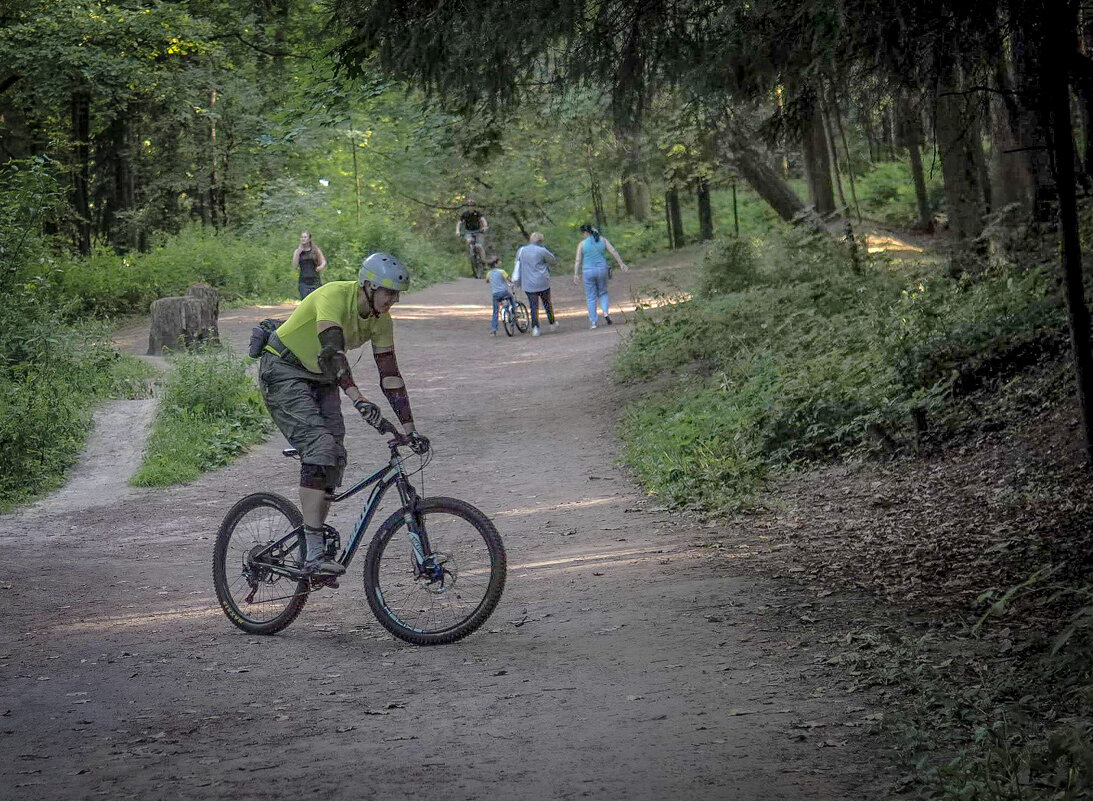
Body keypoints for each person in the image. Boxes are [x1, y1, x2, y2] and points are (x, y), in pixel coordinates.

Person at [258, 252, 429, 576]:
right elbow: (332, 351)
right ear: (367, 286)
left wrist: (409, 429)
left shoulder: (381, 321)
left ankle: (316, 540)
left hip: (322, 377)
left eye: (396, 294)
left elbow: (390, 375)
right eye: (387, 292)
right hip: (284, 369)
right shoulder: (334, 295)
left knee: (335, 455)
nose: (392, 300)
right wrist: (358, 398)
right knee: (320, 448)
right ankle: (313, 553)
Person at [573, 224, 628, 329]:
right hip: (602, 269)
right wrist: (621, 263)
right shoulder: (603, 240)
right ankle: (606, 312)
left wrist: (576, 274)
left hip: (588, 271)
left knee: (591, 297)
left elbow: (578, 260)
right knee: (603, 292)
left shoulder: (582, 244)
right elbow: (613, 251)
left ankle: (593, 322)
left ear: (585, 233)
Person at [513, 232, 558, 337]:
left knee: (533, 306)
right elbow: (553, 261)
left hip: (528, 283)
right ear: (541, 241)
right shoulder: (542, 251)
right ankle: (552, 323)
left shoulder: (521, 250)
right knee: (547, 303)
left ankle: (535, 328)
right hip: (542, 282)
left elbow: (517, 263)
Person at [455, 199, 490, 269]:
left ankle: (484, 262)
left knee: (479, 246)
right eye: (469, 206)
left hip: (478, 231)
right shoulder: (465, 214)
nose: (471, 207)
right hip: (468, 231)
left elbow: (483, 220)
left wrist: (485, 227)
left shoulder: (477, 213)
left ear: (474, 206)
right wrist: (457, 231)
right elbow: (459, 223)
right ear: (467, 207)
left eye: (472, 206)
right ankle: (471, 255)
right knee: (468, 241)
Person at [293, 230, 327, 299]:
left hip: (315, 280)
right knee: (305, 301)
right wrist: (298, 253)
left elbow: (324, 262)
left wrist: (320, 267)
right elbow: (294, 265)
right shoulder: (297, 251)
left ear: (309, 239)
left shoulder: (315, 250)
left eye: (305, 237)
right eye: (301, 237)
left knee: (316, 300)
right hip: (303, 282)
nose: (303, 239)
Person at [484, 259, 514, 336]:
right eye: (499, 262)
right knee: (511, 299)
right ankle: (513, 314)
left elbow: (487, 281)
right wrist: (512, 282)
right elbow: (509, 279)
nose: (500, 263)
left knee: (495, 311)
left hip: (495, 294)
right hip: (504, 292)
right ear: (496, 264)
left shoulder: (489, 273)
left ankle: (493, 329)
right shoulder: (502, 271)